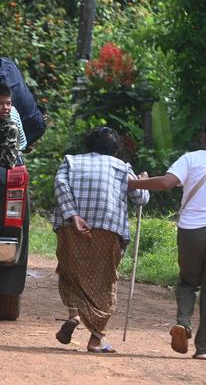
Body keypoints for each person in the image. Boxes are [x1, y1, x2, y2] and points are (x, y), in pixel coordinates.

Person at [129, 111, 206, 360]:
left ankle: (183, 322)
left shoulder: (190, 159)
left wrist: (135, 184)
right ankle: (205, 347)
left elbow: (165, 183)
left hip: (190, 233)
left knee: (187, 282)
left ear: (204, 136)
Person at [51, 127, 149, 354]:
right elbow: (141, 198)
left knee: (70, 272)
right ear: (115, 149)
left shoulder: (70, 161)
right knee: (105, 280)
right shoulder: (122, 168)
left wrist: (74, 216)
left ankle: (74, 316)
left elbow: (60, 185)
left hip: (70, 225)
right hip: (108, 227)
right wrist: (143, 180)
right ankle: (96, 340)